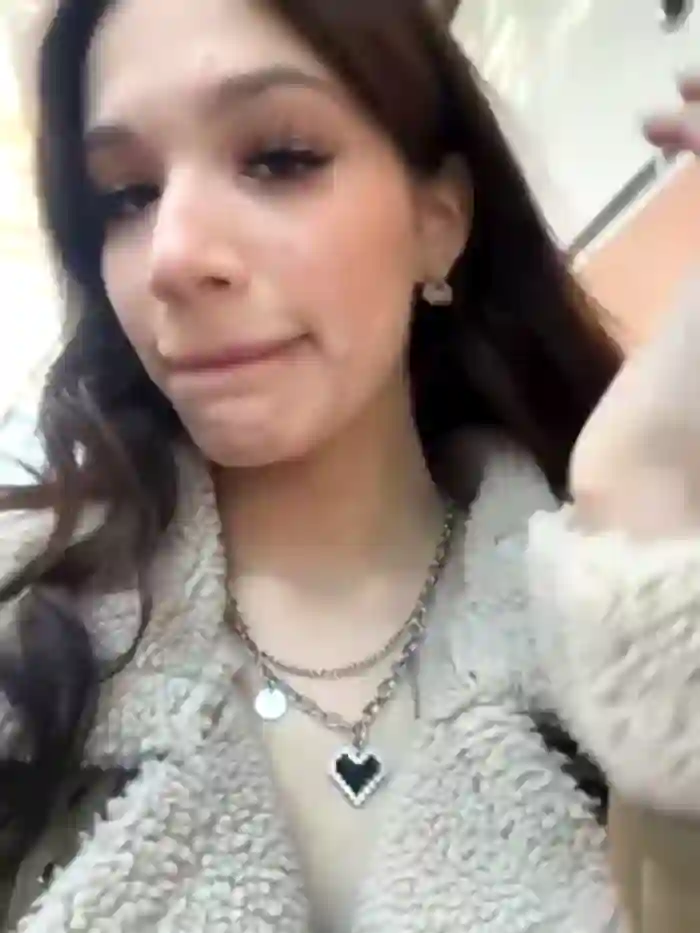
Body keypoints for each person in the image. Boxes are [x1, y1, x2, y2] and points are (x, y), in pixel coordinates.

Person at [0, 0, 694, 930]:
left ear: (439, 219)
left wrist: (644, 502)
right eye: (127, 195)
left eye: (279, 157)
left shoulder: (641, 617)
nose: (173, 255)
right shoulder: (30, 640)